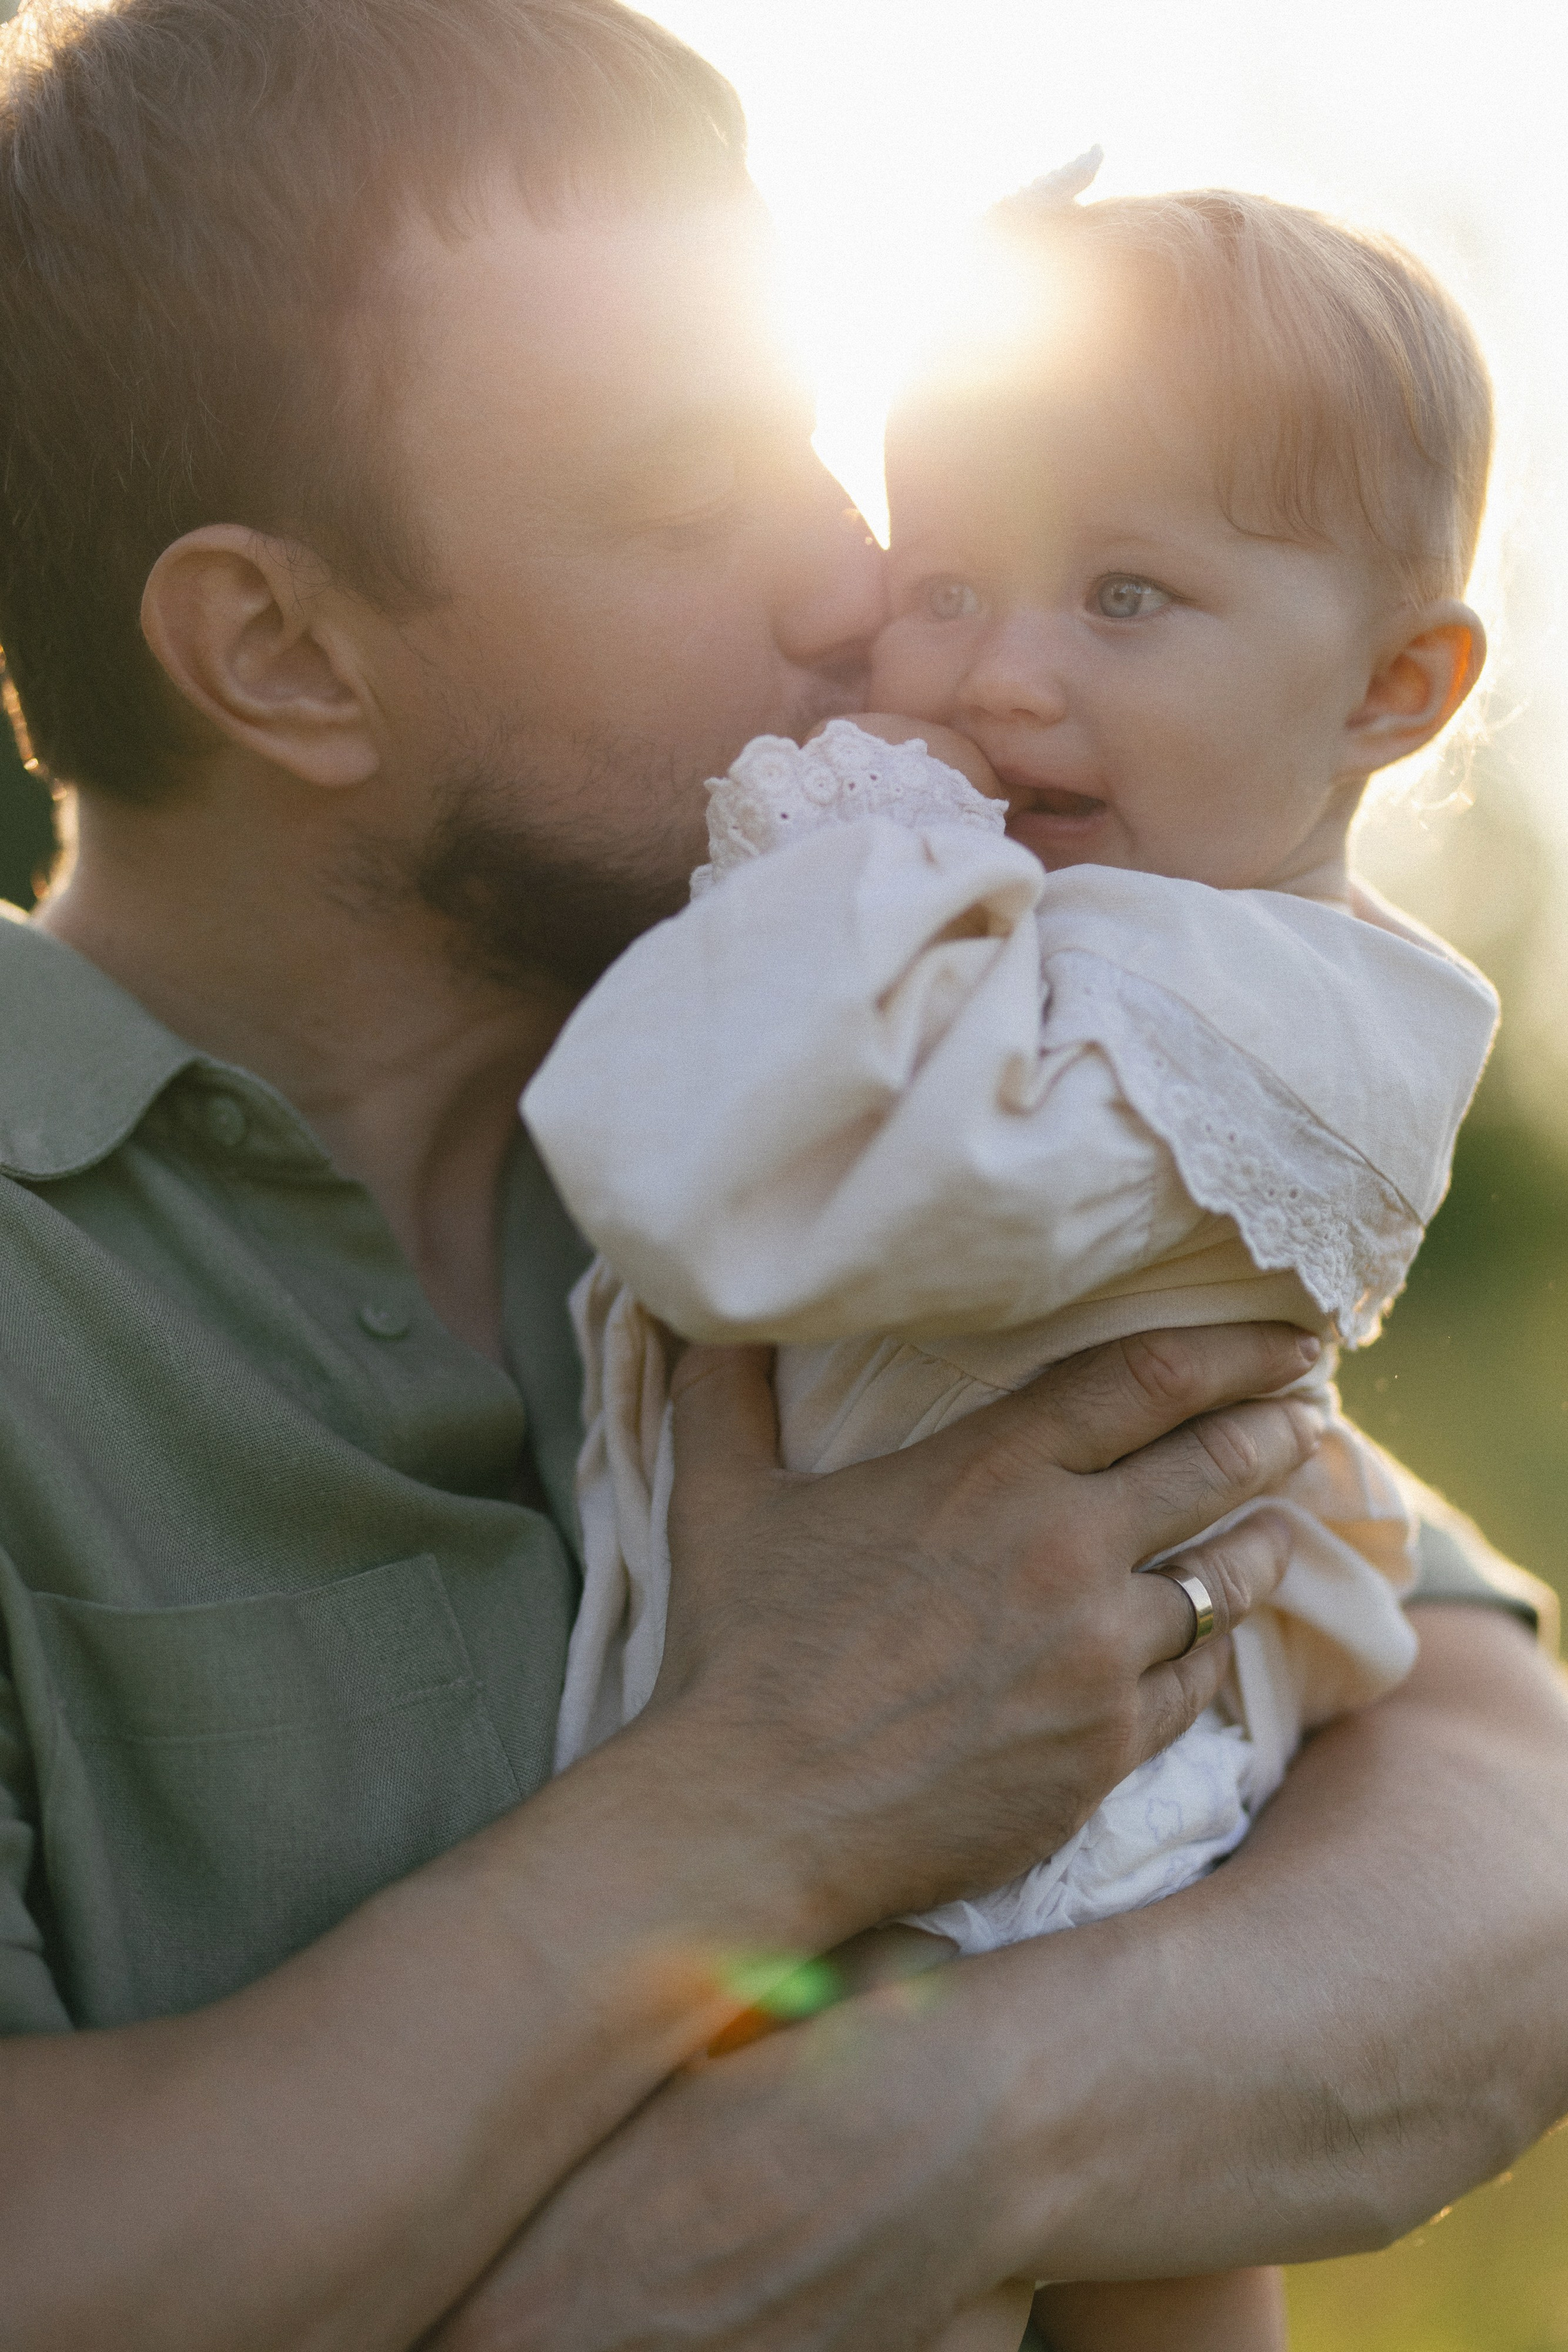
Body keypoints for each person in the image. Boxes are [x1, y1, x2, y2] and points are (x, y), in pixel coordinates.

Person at [0, 5, 1561, 2348]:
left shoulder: (883, 1078)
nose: (857, 592)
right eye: (675, 501)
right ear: (281, 652)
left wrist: (945, 2140)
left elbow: (1501, 1806)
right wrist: (768, 1800)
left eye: (815, 455)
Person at [520, 180, 1503, 2352]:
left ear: (1392, 687)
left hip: (1024, 1822)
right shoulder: (1117, 936)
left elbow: (739, 1181)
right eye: (944, 580)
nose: (992, 672)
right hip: (928, 1746)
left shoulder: (1276, 1015)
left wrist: (852, 842)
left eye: (1130, 592)